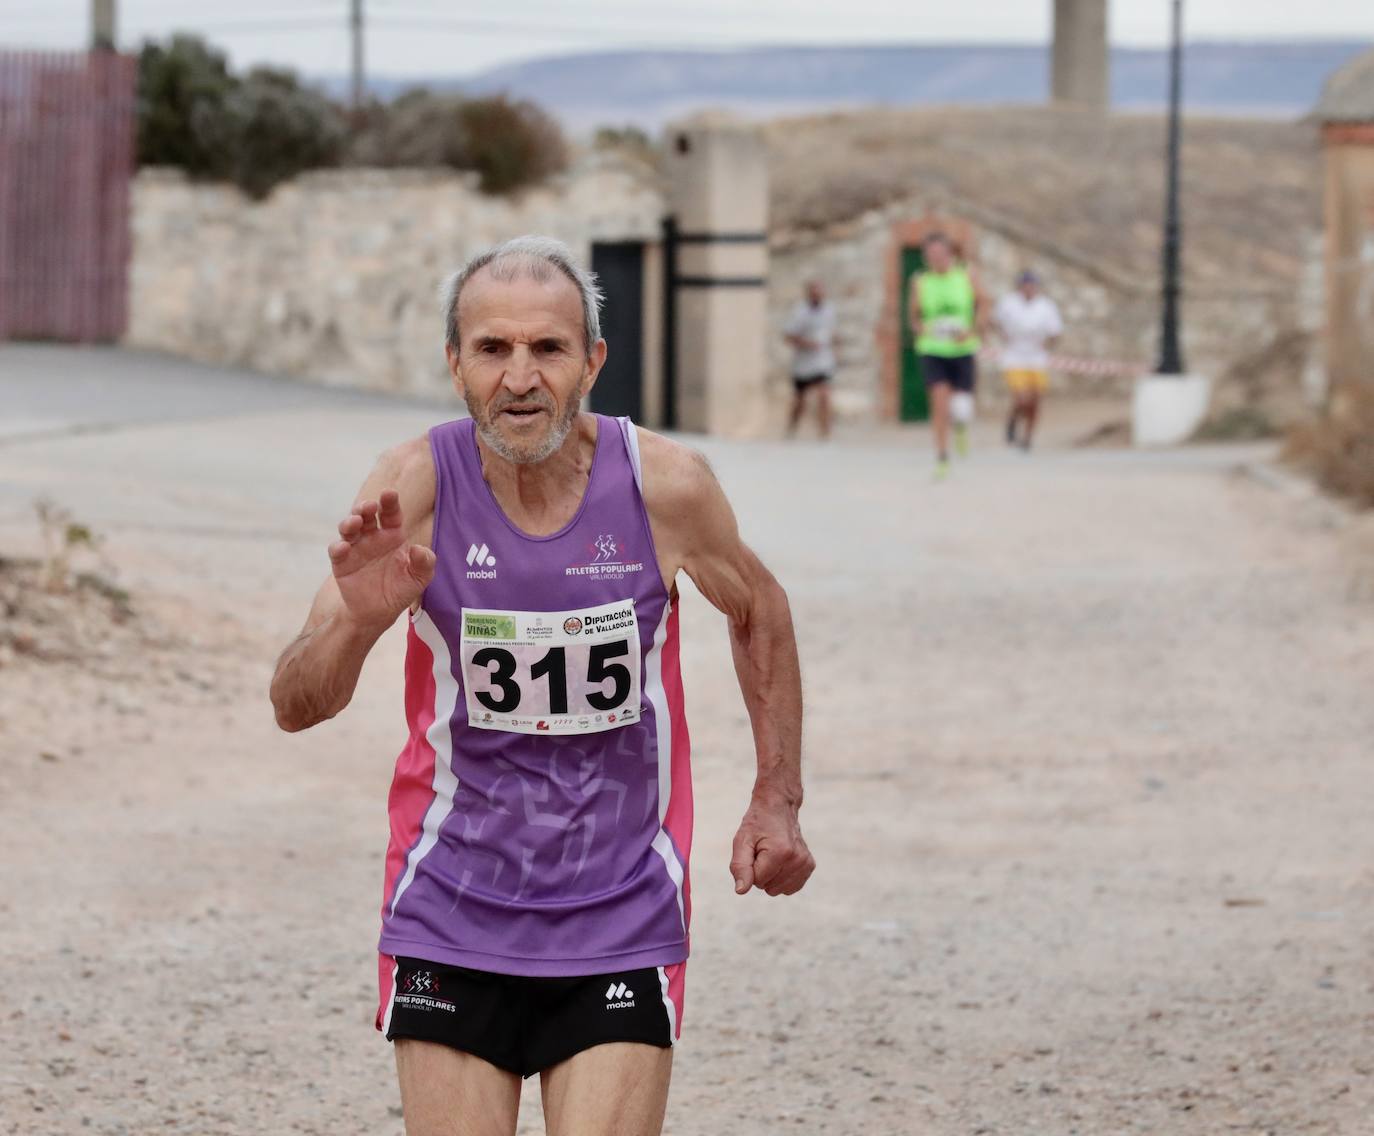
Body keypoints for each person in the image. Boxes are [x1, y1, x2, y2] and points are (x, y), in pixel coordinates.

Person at [269, 235, 815, 1136]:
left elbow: (760, 608)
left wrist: (776, 799)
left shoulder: (664, 486)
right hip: (449, 901)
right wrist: (361, 619)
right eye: (492, 349)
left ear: (593, 359)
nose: (520, 378)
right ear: (455, 363)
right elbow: (296, 704)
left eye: (548, 349)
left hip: (623, 905)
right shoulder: (415, 487)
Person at [908, 233, 988, 480]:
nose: (936, 259)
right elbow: (913, 316)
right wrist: (921, 328)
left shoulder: (967, 275)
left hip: (963, 349)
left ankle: (961, 426)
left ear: (950, 253)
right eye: (931, 256)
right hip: (933, 349)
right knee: (939, 401)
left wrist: (972, 330)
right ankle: (942, 456)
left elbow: (984, 304)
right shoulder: (920, 280)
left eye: (940, 254)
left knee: (961, 405)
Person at [994, 269, 1063, 451]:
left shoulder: (1046, 306)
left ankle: (1027, 436)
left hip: (1037, 358)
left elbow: (1055, 332)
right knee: (1021, 398)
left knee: (1035, 400)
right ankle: (1013, 419)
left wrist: (1047, 345)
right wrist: (1004, 336)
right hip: (1015, 357)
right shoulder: (1009, 303)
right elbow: (996, 322)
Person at [782, 279, 836, 438]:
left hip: (822, 361)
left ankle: (825, 433)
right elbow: (788, 336)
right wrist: (807, 344)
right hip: (803, 363)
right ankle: (791, 429)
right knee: (800, 401)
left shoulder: (829, 310)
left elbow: (830, 333)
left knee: (824, 395)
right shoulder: (800, 312)